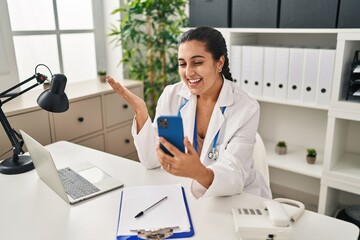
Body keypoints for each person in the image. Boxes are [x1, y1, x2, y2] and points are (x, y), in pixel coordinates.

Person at [107, 26, 272, 199]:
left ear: (219, 63)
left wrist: (199, 172)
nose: (188, 72)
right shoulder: (172, 96)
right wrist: (141, 112)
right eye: (182, 64)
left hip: (237, 198)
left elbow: (235, 175)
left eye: (197, 62)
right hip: (188, 191)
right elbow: (152, 161)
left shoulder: (246, 107)